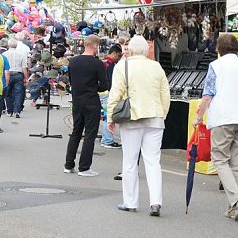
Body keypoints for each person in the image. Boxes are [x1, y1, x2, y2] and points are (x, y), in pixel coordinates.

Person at [194, 34, 238, 221]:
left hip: (224, 117)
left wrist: (198, 117)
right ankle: (233, 207)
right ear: (237, 48)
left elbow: (208, 94)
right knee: (237, 163)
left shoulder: (216, 66)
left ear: (218, 49)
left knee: (220, 159)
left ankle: (237, 198)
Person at [107, 35, 169, 216]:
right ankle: (156, 202)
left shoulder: (122, 66)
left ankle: (130, 201)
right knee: (153, 161)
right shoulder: (156, 66)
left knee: (130, 161)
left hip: (132, 119)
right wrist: (162, 114)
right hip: (155, 118)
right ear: (147, 51)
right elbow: (165, 94)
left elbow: (115, 94)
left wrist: (111, 117)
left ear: (131, 50)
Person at [65, 34, 109, 176]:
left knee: (76, 132)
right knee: (90, 134)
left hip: (77, 101)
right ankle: (84, 167)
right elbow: (104, 85)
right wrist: (93, 88)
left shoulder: (73, 62)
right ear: (95, 46)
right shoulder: (98, 64)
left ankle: (68, 164)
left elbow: (71, 81)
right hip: (91, 101)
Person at [100, 44, 123, 149]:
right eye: (118, 56)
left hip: (99, 92)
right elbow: (112, 81)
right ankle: (107, 140)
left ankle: (105, 137)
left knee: (103, 116)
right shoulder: (111, 65)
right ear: (113, 53)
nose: (118, 58)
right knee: (107, 116)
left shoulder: (102, 62)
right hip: (107, 93)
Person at [4, 38, 29, 118]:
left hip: (7, 74)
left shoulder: (4, 54)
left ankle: (9, 110)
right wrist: (26, 78)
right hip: (18, 74)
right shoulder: (21, 55)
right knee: (18, 93)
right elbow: (24, 67)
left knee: (8, 94)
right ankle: (17, 111)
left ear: (8, 45)